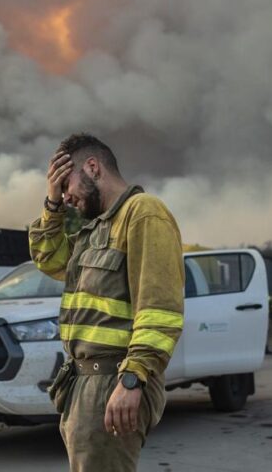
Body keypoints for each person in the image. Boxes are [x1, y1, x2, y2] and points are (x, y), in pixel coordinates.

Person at [28, 133, 184, 472]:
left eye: (65, 184)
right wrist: (52, 204)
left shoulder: (143, 214)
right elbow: (48, 258)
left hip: (113, 381)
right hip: (83, 384)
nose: (67, 197)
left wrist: (132, 379)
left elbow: (159, 311)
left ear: (93, 168)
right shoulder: (96, 228)